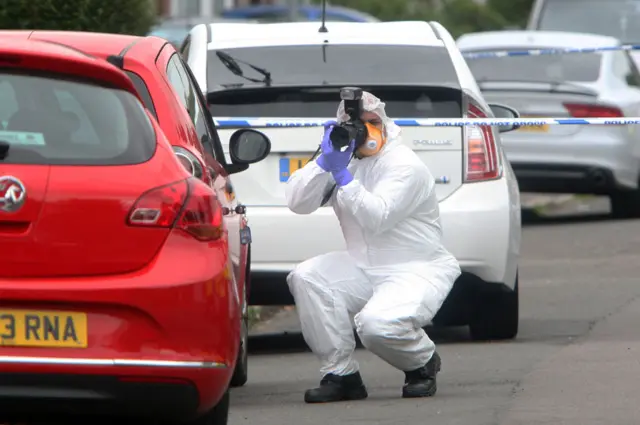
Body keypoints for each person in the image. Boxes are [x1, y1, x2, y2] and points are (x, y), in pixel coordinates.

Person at [285, 91, 462, 404]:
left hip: (415, 268)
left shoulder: (405, 165)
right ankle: (341, 375)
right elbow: (298, 203)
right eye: (355, 123)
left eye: (372, 122)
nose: (365, 130)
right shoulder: (345, 158)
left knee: (376, 326)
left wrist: (342, 175)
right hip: (363, 266)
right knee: (307, 277)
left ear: (385, 123)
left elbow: (376, 217)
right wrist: (323, 163)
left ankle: (421, 362)